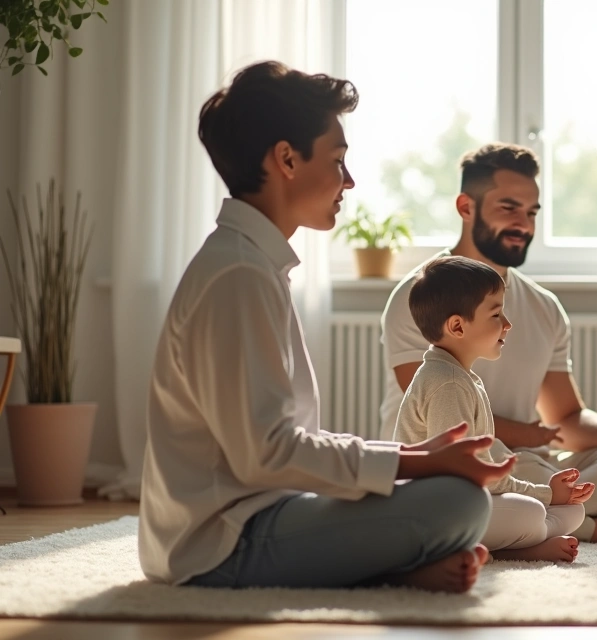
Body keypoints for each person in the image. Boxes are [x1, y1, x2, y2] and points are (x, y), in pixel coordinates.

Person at [139, 61, 513, 593]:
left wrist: (412, 463)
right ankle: (394, 568)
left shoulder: (251, 263)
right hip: (221, 545)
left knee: (451, 498)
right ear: (287, 159)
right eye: (338, 161)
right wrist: (416, 461)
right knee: (460, 502)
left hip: (260, 510)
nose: (350, 180)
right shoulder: (239, 275)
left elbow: (281, 446)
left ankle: (392, 564)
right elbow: (267, 453)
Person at [379, 143, 597, 543]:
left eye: (532, 212)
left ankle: (551, 505)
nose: (525, 224)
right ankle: (566, 514)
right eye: (509, 208)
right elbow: (448, 425)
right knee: (510, 459)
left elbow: (565, 420)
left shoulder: (544, 307)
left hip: (527, 464)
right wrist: (530, 442)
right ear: (466, 207)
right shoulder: (420, 296)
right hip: (452, 464)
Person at [394, 256, 594, 563]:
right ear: (458, 326)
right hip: (437, 510)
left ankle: (508, 544)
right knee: (531, 512)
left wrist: (544, 492)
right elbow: (468, 473)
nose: (508, 324)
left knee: (571, 510)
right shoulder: (448, 384)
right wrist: (546, 494)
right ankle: (503, 546)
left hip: (461, 499)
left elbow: (485, 457)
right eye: (497, 314)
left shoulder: (460, 376)